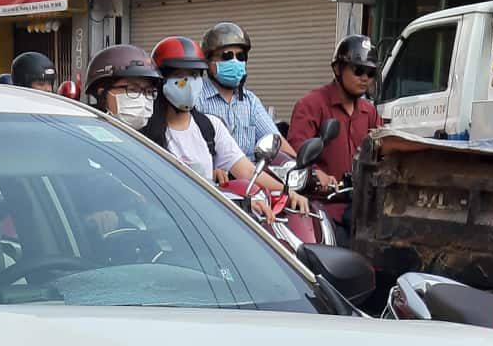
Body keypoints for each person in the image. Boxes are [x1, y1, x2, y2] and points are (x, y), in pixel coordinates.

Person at [142, 36, 303, 217]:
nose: (189, 83)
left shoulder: (210, 127)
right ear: (161, 81)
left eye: (194, 75)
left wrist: (288, 193)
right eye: (179, 76)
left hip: (204, 223)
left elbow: (247, 171)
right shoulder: (142, 134)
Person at [289, 35, 385, 202]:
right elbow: (294, 150)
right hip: (325, 206)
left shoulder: (370, 112)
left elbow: (385, 150)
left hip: (362, 207)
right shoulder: (311, 105)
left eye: (370, 73)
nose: (364, 78)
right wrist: (315, 173)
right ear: (338, 69)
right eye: (358, 70)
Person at [196, 21, 290, 162]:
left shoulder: (250, 101)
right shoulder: (196, 97)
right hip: (208, 181)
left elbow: (276, 141)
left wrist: (306, 169)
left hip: (252, 179)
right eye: (227, 56)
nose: (235, 61)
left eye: (240, 57)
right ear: (208, 61)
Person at [84, 42, 158, 131]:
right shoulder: (83, 135)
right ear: (102, 93)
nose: (142, 99)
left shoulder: (153, 140)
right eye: (132, 89)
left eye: (149, 91)